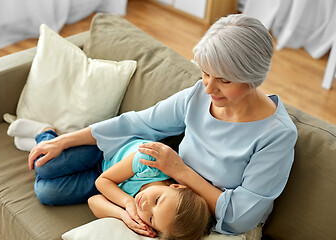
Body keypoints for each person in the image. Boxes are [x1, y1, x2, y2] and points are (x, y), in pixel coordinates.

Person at [27, 14, 298, 235]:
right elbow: (139, 122)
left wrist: (179, 171)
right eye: (205, 73)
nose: (208, 89)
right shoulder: (196, 97)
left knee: (48, 190)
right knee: (49, 163)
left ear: (253, 78)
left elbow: (240, 216)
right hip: (137, 168)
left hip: (158, 193)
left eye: (224, 81)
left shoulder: (276, 136)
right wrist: (66, 139)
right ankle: (47, 133)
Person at [19, 124, 211, 239]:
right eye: (157, 200)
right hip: (104, 151)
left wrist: (124, 216)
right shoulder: (152, 164)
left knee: (46, 193)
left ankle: (41, 148)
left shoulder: (141, 213)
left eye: (151, 218)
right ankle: (45, 132)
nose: (144, 205)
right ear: (176, 185)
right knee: (43, 166)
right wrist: (127, 202)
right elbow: (103, 183)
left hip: (102, 176)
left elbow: (93, 201)